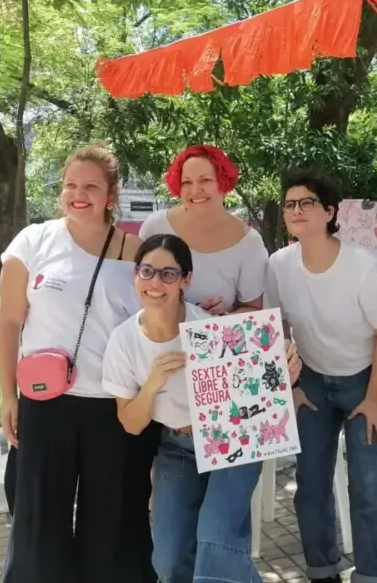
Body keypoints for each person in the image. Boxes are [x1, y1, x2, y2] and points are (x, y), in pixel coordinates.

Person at [0, 143, 159, 583]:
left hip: (114, 405)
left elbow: (160, 316)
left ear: (111, 193)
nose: (78, 194)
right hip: (45, 403)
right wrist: (8, 397)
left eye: (90, 186)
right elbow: (9, 323)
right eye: (70, 185)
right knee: (38, 523)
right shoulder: (33, 242)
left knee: (113, 523)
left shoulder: (135, 251)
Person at [102, 233, 301, 583]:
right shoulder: (123, 340)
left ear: (185, 280)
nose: (155, 282)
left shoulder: (211, 329)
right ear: (135, 275)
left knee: (216, 544)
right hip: (176, 448)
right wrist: (152, 383)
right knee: (168, 561)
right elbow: (131, 424)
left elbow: (258, 392)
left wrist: (284, 373)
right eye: (146, 271)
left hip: (232, 443)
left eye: (168, 273)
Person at [266, 171, 377, 583]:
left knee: (366, 488)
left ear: (329, 211)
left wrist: (375, 397)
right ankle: (323, 571)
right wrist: (291, 385)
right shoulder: (278, 264)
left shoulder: (361, 264)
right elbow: (274, 328)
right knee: (310, 485)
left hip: (367, 380)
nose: (296, 211)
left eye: (306, 203)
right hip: (314, 383)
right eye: (290, 204)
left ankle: (371, 576)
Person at [140, 144, 267, 315]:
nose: (195, 190)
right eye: (186, 182)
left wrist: (225, 319)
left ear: (223, 183)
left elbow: (253, 309)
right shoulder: (154, 227)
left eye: (205, 180)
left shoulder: (249, 243)